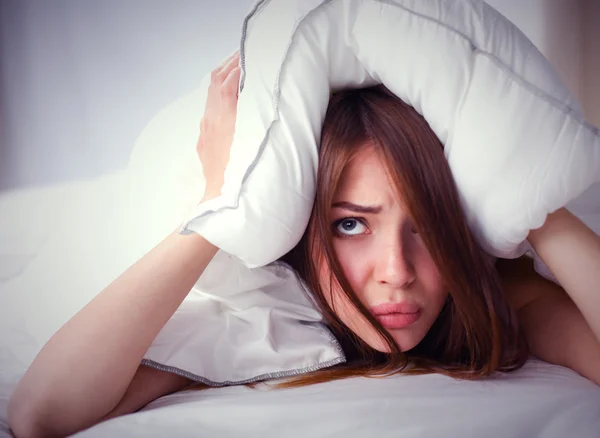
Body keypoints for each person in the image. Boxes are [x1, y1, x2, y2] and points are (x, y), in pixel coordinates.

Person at [7, 51, 600, 438]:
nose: (397, 272)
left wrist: (537, 203)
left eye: (427, 226)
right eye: (351, 224)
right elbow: (39, 416)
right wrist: (220, 208)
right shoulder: (266, 316)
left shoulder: (491, 299)